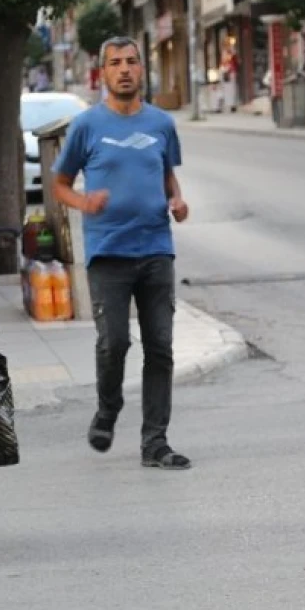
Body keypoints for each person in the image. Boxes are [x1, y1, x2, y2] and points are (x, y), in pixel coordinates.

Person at [51, 36, 191, 471]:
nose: (125, 69)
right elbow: (59, 185)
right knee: (114, 342)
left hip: (155, 249)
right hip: (108, 254)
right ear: (104, 73)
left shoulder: (161, 124)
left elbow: (166, 173)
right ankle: (108, 408)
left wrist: (178, 200)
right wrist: (83, 203)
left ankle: (155, 443)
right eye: (116, 63)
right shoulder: (87, 126)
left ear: (141, 69)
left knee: (161, 347)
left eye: (132, 62)